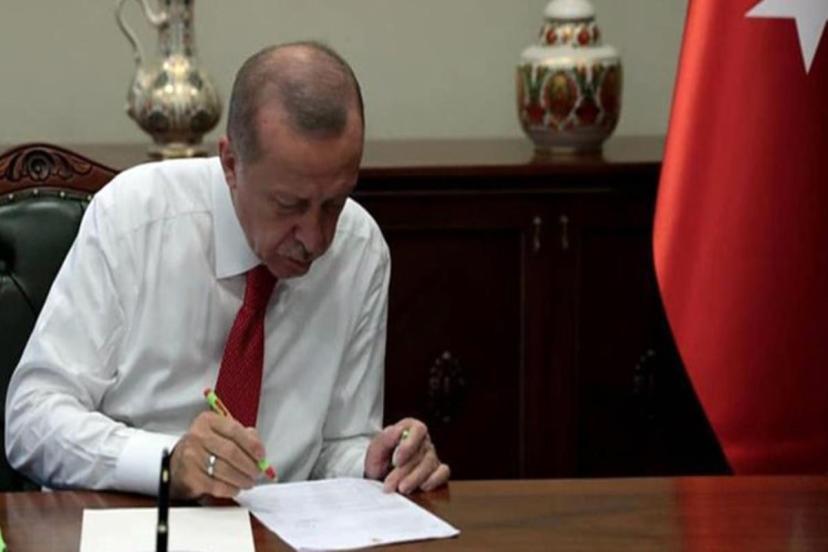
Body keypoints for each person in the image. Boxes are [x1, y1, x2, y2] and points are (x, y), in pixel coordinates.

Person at [4, 41, 450, 499]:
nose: (316, 239)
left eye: (334, 203)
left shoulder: (360, 248)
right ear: (231, 164)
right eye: (289, 204)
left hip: (277, 527)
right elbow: (31, 419)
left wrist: (375, 463)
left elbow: (335, 447)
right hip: (128, 516)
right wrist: (166, 461)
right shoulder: (134, 217)